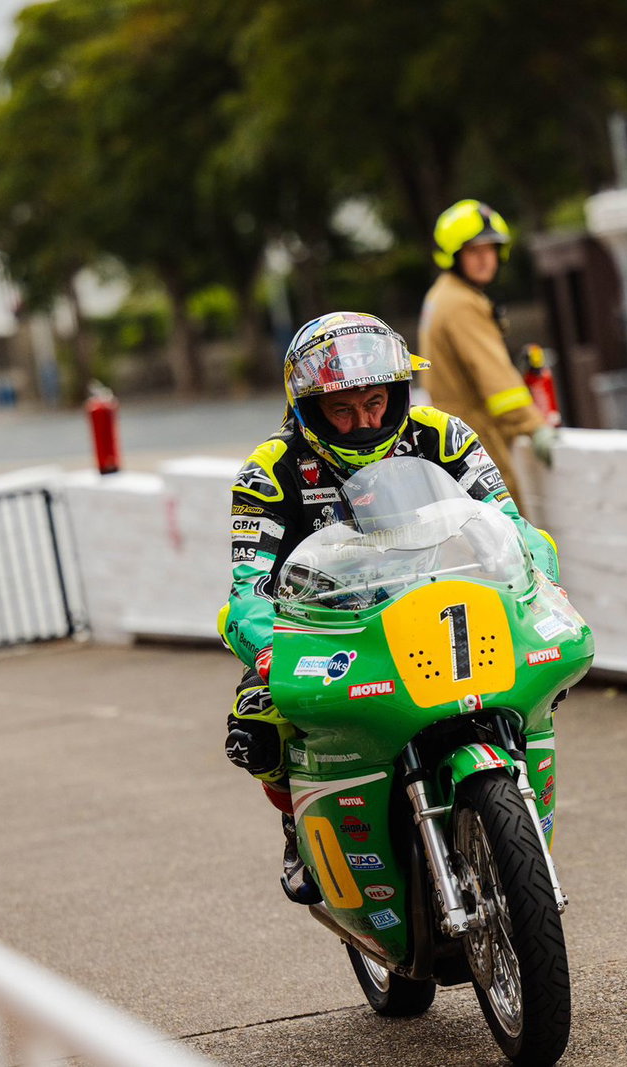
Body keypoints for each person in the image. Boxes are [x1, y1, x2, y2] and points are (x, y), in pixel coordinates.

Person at [217, 313, 559, 904]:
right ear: (307, 407)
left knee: (539, 680)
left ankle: (514, 817)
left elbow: (512, 527)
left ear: (397, 393)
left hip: (446, 602)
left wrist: (540, 583)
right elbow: (247, 587)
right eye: (342, 409)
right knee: (257, 725)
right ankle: (298, 826)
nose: (364, 421)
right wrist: (269, 648)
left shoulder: (443, 435)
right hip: (332, 630)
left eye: (375, 402)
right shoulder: (269, 470)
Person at [418, 199, 556, 508]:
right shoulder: (461, 304)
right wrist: (534, 427)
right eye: (474, 251)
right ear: (454, 255)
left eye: (491, 249)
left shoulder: (442, 295)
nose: (486, 259)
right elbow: (497, 381)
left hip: (455, 443)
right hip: (479, 442)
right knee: (509, 529)